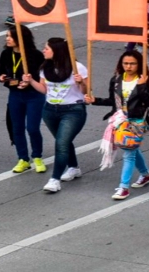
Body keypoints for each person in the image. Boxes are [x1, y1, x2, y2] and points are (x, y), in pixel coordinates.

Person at [22, 37, 89, 194]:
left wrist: (81, 83)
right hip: (50, 110)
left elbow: (86, 92)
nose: (44, 50)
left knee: (61, 143)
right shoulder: (45, 68)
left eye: (47, 48)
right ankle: (74, 167)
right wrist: (31, 81)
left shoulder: (77, 68)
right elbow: (44, 90)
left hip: (73, 111)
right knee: (63, 141)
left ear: (57, 50)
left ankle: (55, 179)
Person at [92, 50, 149, 199]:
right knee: (132, 149)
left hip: (136, 123)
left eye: (132, 63)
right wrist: (94, 100)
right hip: (119, 121)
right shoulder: (116, 80)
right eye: (126, 63)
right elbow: (112, 101)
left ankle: (123, 187)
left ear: (139, 64)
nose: (128, 66)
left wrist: (141, 86)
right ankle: (146, 175)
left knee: (128, 153)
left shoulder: (147, 80)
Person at [0, 25, 46, 174]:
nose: (7, 39)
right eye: (7, 36)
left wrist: (29, 81)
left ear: (21, 38)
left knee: (32, 128)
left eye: (10, 36)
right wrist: (2, 77)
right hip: (15, 95)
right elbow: (2, 72)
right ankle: (23, 159)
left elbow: (42, 76)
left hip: (34, 96)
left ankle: (37, 156)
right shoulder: (6, 54)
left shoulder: (35, 55)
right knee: (16, 128)